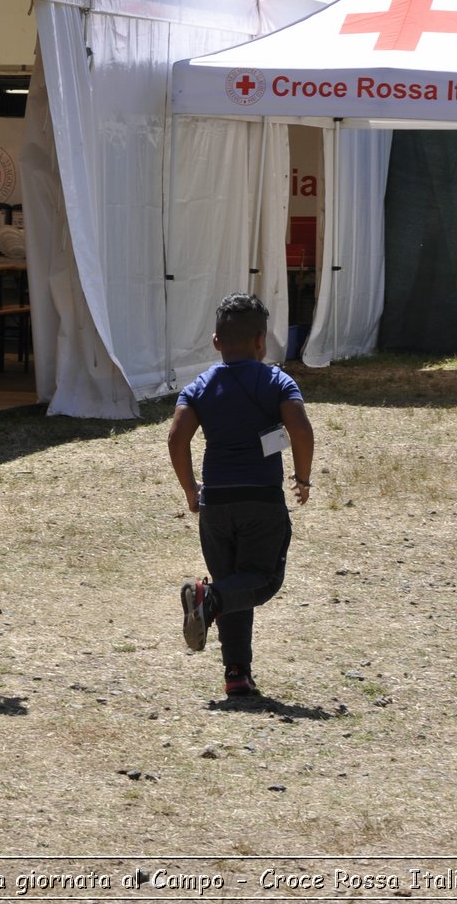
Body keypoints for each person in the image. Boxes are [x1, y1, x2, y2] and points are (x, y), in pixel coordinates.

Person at [167, 293, 314, 697]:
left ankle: (236, 673)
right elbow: (300, 430)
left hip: (216, 501)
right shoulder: (277, 382)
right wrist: (303, 477)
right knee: (261, 582)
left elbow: (177, 438)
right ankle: (209, 600)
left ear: (216, 341)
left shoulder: (199, 387)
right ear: (261, 341)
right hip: (262, 500)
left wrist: (189, 489)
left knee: (233, 584)